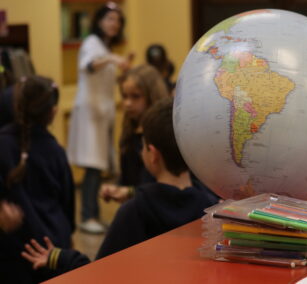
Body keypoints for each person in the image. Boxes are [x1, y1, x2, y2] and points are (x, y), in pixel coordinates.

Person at [21, 98, 219, 274]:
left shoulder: (133, 213)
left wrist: (60, 257)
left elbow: (99, 274)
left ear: (152, 154)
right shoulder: (213, 211)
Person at [0, 75, 75, 284]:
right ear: (53, 112)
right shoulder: (56, 152)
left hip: (14, 250)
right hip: (51, 248)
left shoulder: (3, 144)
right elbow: (67, 203)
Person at [67, 2, 133, 234]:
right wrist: (115, 59)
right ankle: (87, 216)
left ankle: (92, 214)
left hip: (101, 113)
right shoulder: (92, 43)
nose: (114, 24)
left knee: (96, 167)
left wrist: (121, 68)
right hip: (90, 114)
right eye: (110, 19)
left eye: (118, 20)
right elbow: (90, 65)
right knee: (92, 167)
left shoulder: (103, 47)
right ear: (99, 21)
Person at [100, 64, 169, 203]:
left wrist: (131, 192)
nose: (127, 103)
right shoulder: (130, 128)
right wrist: (117, 188)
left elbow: (162, 186)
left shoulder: (162, 133)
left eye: (135, 97)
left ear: (152, 96)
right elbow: (129, 175)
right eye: (124, 96)